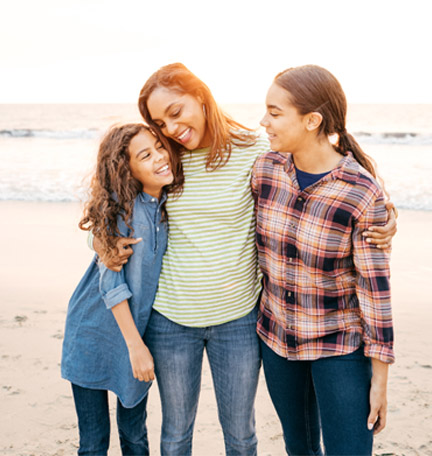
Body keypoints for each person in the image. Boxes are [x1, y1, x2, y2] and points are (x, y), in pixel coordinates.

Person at [93, 63, 397, 456]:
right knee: (192, 436)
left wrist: (386, 217)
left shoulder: (260, 153)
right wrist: (102, 244)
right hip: (216, 326)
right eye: (159, 122)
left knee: (253, 437)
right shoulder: (179, 160)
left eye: (175, 112)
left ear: (201, 98)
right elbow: (113, 204)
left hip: (276, 327)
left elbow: (336, 201)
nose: (170, 129)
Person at [251, 64, 395, 455]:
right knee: (299, 449)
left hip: (339, 347)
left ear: (312, 120)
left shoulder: (360, 192)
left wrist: (379, 381)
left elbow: (375, 292)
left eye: (275, 112)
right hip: (277, 341)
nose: (264, 121)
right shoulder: (265, 170)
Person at [61, 123, 178, 456]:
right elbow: (111, 284)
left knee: (135, 435)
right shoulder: (122, 209)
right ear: (127, 169)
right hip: (93, 332)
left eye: (159, 147)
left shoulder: (170, 200)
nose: (160, 157)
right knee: (94, 442)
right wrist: (136, 347)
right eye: (146, 154)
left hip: (137, 333)